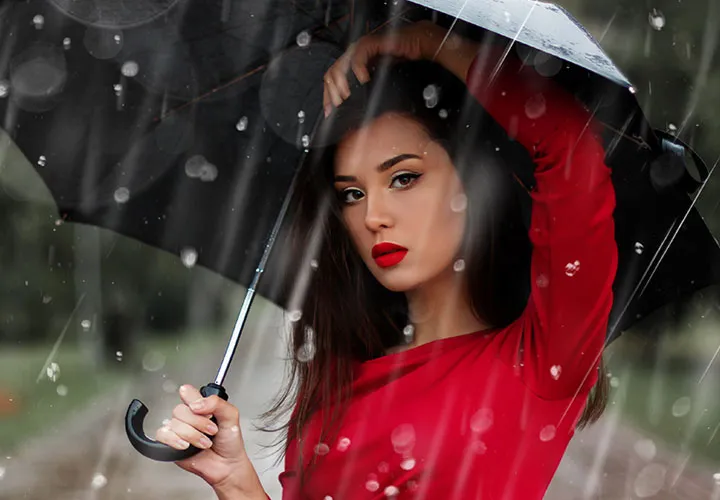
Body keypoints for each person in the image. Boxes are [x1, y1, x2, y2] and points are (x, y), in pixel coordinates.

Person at [154, 20, 617, 499]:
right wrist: (235, 481)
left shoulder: (539, 361)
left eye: (403, 178)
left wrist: (432, 44)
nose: (373, 216)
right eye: (352, 194)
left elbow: (571, 147)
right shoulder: (335, 383)